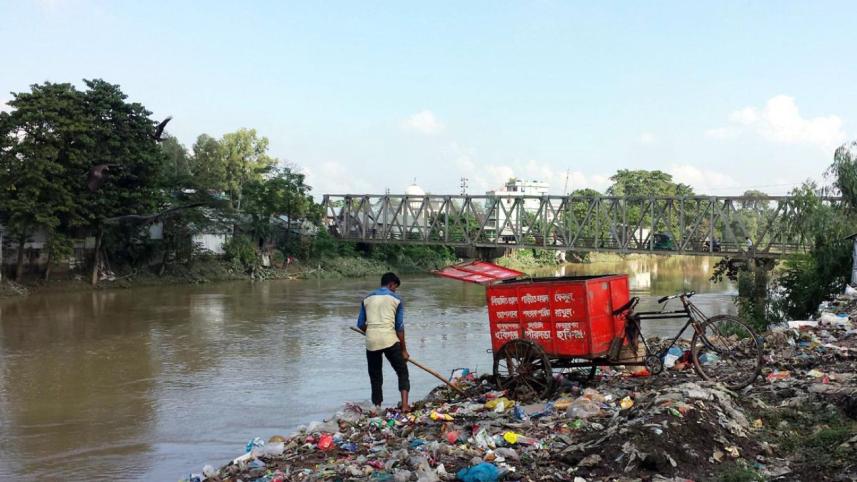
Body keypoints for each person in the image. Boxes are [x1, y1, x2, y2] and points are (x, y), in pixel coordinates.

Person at [356, 272, 410, 412]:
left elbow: (360, 324)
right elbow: (399, 327)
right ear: (391, 284)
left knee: (375, 376)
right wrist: (404, 350)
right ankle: (405, 406)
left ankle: (377, 408)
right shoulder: (397, 299)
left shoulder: (366, 299)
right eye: (395, 287)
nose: (395, 290)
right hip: (389, 339)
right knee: (402, 371)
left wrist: (372, 331)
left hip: (371, 341)